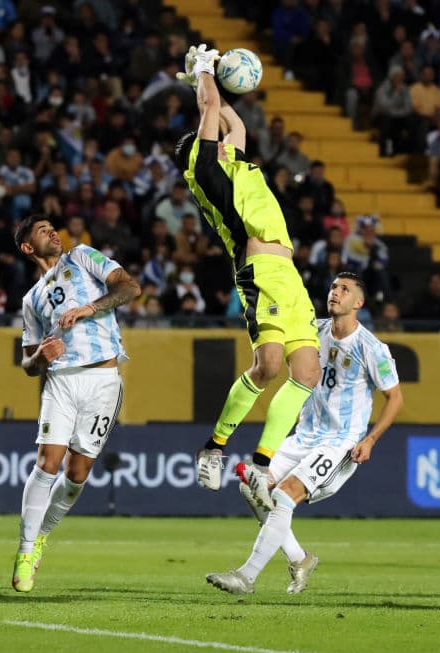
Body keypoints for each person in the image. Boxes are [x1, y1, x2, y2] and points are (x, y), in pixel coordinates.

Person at [173, 44, 321, 511]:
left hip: (290, 275)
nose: (224, 136)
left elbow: (232, 121)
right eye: (212, 135)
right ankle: (214, 448)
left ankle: (260, 463)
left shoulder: (233, 161)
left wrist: (211, 79)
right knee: (269, 367)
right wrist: (202, 72)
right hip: (259, 270)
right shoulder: (205, 168)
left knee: (308, 374)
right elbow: (213, 112)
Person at [205, 273, 403, 595]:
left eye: (345, 289)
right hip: (304, 435)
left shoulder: (372, 348)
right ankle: (299, 559)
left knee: (283, 495)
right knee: (252, 489)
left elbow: (395, 398)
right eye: (334, 287)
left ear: (359, 302)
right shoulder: (313, 333)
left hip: (340, 442)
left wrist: (370, 439)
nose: (335, 293)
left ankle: (246, 576)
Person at [11, 215, 141, 592]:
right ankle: (24, 552)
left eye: (53, 227)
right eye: (42, 230)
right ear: (28, 247)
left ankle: (41, 537)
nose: (53, 232)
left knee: (78, 473)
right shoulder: (31, 299)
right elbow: (27, 363)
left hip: (102, 381)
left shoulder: (83, 257)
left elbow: (130, 288)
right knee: (46, 463)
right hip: (61, 383)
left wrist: (90, 308)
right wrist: (41, 359)